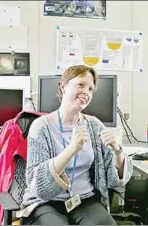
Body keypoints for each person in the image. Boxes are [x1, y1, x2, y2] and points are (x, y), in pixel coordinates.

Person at [18, 65, 133, 225]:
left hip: (84, 200)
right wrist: (72, 149)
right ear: (63, 86)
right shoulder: (41, 127)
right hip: (46, 203)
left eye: (91, 89)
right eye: (81, 85)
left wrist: (117, 151)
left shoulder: (95, 125)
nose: (86, 92)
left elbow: (114, 181)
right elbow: (39, 187)